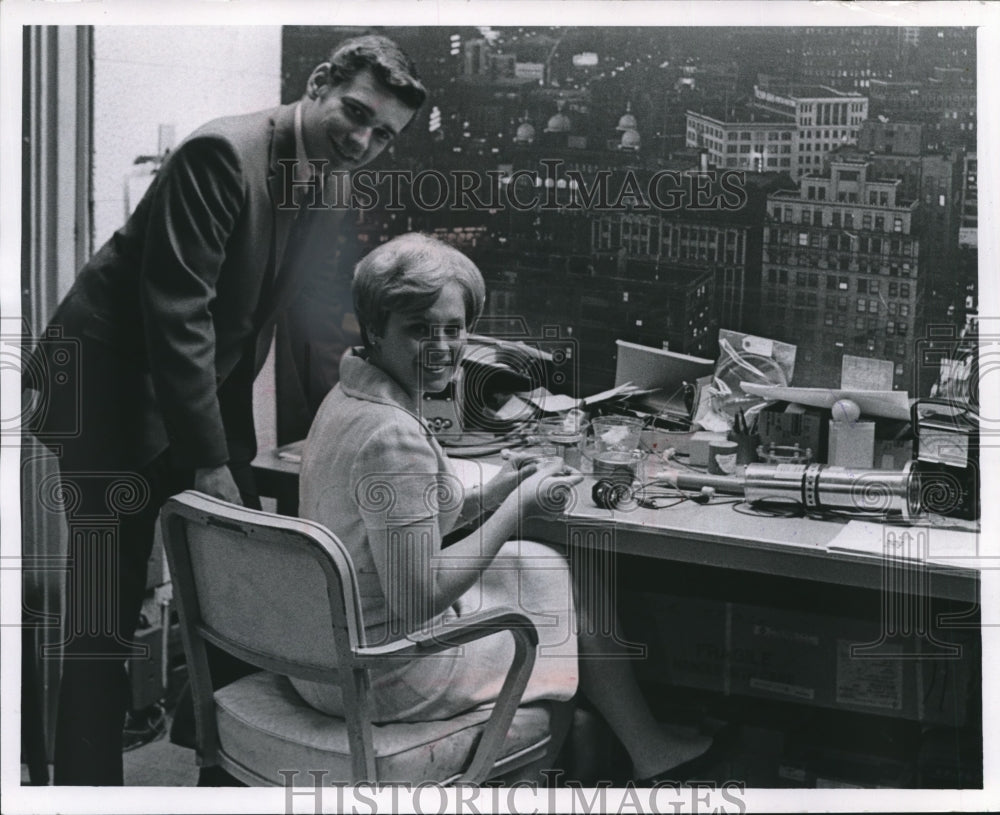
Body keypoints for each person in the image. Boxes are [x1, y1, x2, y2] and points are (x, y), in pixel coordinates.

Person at [26, 35, 425, 786]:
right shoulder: (220, 154)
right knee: (100, 618)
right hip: (108, 393)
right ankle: (83, 787)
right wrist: (210, 460)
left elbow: (292, 317)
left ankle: (220, 767)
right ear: (317, 83)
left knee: (241, 585)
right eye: (356, 112)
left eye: (383, 134)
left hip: (197, 390)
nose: (364, 140)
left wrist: (365, 406)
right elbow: (178, 313)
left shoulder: (334, 178)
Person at [296, 233, 715, 783]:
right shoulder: (390, 433)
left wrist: (488, 495)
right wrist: (515, 508)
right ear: (376, 330)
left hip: (320, 651)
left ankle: (646, 748)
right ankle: (588, 760)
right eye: (419, 329)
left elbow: (398, 523)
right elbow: (418, 597)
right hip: (385, 674)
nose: (443, 347)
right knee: (552, 615)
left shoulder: (350, 395)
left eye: (453, 328)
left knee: (559, 569)